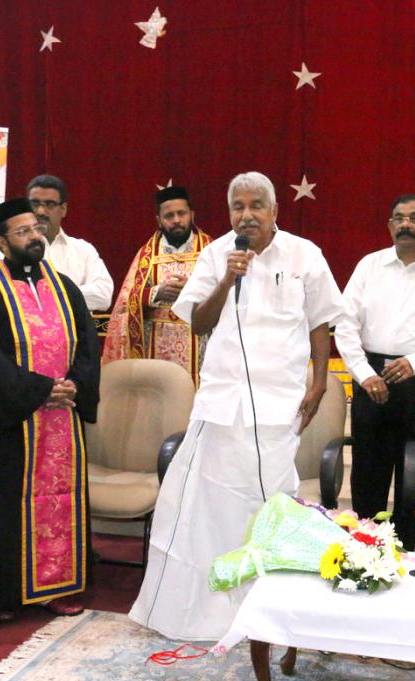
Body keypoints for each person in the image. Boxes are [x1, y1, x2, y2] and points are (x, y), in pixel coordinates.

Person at [129, 171, 344, 641]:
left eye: (255, 205)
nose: (246, 215)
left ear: (274, 211)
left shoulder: (304, 254)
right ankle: (211, 611)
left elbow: (320, 321)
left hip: (280, 405)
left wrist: (320, 382)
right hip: (223, 405)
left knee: (270, 506)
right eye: (237, 207)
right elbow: (199, 321)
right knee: (211, 509)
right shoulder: (215, 255)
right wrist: (227, 278)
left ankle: (271, 611)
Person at [0, 197, 100, 621]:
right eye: (23, 232)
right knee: (4, 505)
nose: (35, 237)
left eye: (36, 228)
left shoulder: (64, 287)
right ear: (1, 241)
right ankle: (1, 595)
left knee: (60, 500)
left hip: (62, 417)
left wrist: (75, 384)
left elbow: (88, 345)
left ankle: (58, 586)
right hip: (9, 424)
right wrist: (38, 390)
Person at [334, 194, 415, 546]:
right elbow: (345, 325)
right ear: (389, 226)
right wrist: (364, 374)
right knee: (367, 476)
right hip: (371, 379)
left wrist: (414, 363)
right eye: (399, 218)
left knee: (411, 479)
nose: (406, 224)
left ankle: (404, 556)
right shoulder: (369, 266)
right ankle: (363, 554)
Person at [102, 185, 212, 384]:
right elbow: (124, 305)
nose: (176, 220)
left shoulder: (210, 251)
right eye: (169, 216)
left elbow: (225, 297)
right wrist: (155, 293)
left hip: (199, 348)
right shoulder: (146, 255)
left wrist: (192, 290)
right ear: (159, 220)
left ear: (192, 215)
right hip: (156, 352)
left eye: (181, 213)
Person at [27, 174, 114, 311]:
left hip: (74, 325)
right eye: (35, 204)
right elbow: (11, 296)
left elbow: (104, 296)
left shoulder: (84, 250)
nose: (40, 211)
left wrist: (52, 294)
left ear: (63, 209)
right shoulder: (13, 249)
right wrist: (74, 295)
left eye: (50, 204)